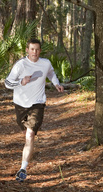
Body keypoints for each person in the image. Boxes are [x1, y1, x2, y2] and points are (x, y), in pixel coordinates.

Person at [5, 38, 64, 182]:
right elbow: (7, 83)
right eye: (32, 49)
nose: (34, 52)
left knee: (30, 135)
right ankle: (27, 158)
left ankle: (23, 168)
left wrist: (56, 83)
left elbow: (50, 73)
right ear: (27, 50)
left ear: (40, 51)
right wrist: (21, 81)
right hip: (20, 104)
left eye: (37, 49)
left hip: (37, 103)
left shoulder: (45, 63)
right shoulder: (20, 65)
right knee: (26, 134)